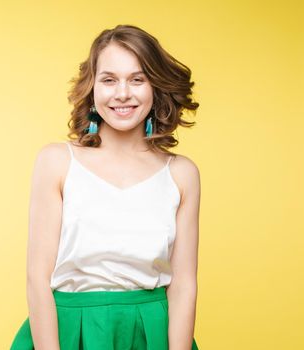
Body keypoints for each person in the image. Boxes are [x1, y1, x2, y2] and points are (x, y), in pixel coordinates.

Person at [10, 24, 200, 350]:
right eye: (109, 79)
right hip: (69, 333)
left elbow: (183, 285)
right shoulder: (56, 161)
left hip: (149, 334)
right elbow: (37, 280)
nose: (122, 93)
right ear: (92, 88)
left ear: (155, 87)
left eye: (137, 79)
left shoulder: (181, 174)